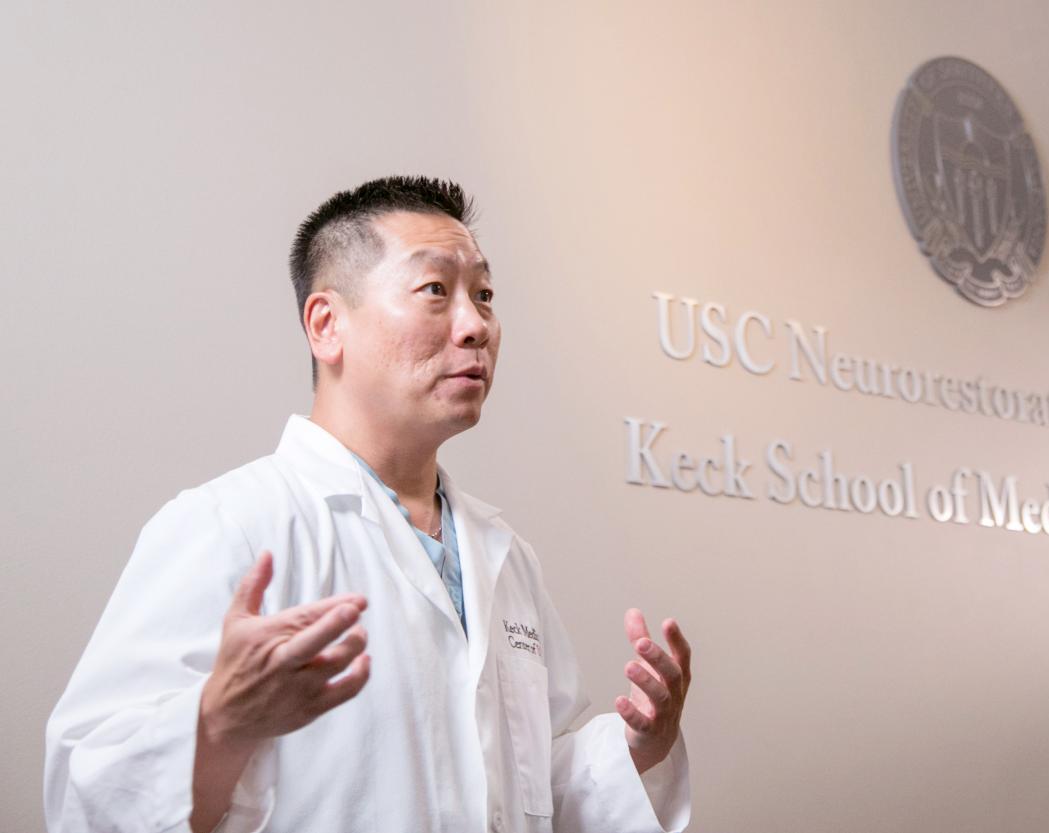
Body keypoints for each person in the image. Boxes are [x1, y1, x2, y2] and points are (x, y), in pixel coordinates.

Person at [44, 176, 692, 833]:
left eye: (484, 295)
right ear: (327, 325)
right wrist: (218, 723)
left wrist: (640, 743)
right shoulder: (230, 526)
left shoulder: (506, 555)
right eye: (435, 290)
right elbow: (85, 794)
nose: (476, 326)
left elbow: (528, 783)